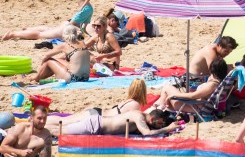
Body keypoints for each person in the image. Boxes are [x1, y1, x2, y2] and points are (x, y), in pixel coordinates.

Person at [154, 58, 228, 111]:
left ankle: (160, 109)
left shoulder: (212, 85)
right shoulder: (219, 82)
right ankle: (161, 106)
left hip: (196, 107)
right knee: (167, 93)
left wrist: (174, 95)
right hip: (195, 104)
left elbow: (193, 96)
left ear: (213, 70)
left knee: (167, 87)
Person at [47, 108, 180, 137]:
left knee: (63, 123)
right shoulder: (138, 117)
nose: (160, 126)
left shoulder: (142, 116)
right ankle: (36, 128)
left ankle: (40, 126)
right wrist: (167, 129)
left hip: (97, 123)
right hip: (94, 125)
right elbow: (146, 133)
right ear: (152, 119)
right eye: (159, 124)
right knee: (60, 131)